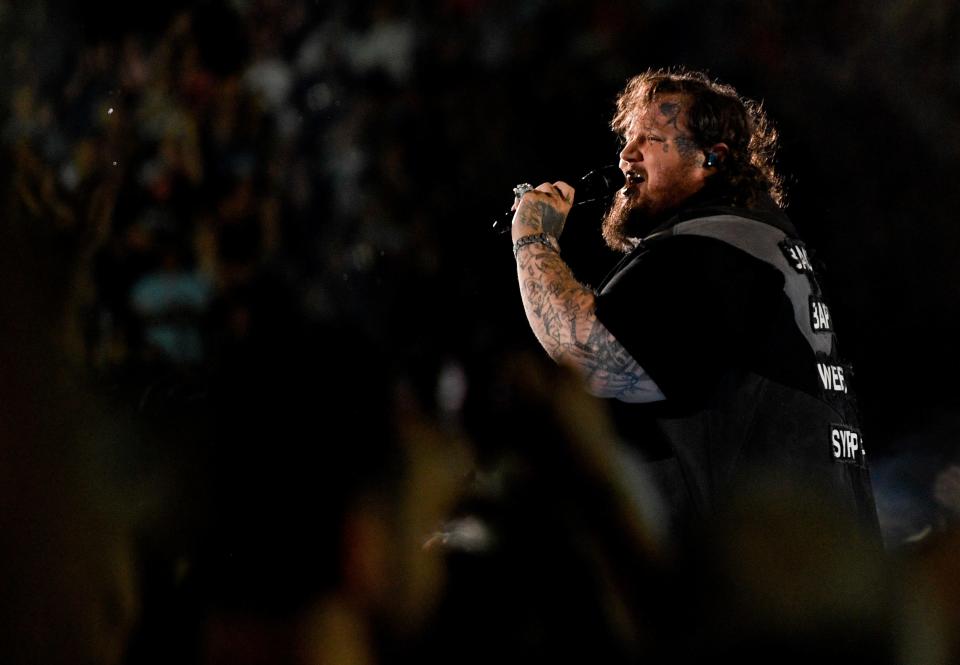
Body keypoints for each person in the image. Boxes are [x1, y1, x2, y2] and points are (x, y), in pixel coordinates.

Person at [509, 68, 880, 539]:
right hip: (808, 569)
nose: (626, 153)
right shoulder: (757, 244)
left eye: (652, 138)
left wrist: (533, 238)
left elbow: (590, 354)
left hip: (757, 577)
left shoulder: (708, 253)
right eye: (627, 137)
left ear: (711, 158)